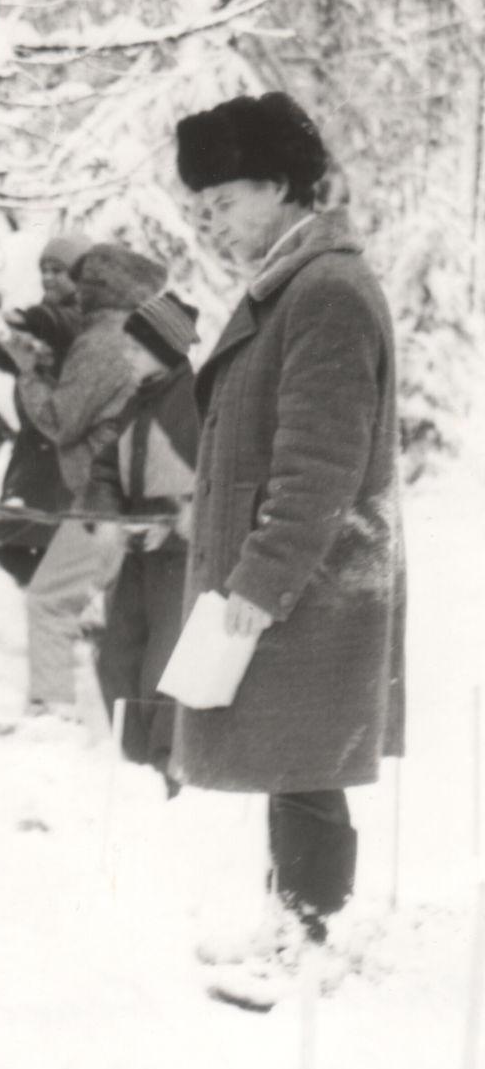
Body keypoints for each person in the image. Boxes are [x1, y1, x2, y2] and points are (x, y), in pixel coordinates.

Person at [172, 91, 404, 982]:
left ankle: (306, 940)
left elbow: (319, 462)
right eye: (201, 206)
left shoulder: (326, 291)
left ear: (279, 185)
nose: (211, 221)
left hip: (315, 573)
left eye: (224, 200)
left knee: (305, 757)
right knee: (293, 754)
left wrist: (261, 581)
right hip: (304, 569)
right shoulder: (299, 283)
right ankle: (290, 924)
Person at [14, 242, 168, 717]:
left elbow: (62, 419)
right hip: (144, 493)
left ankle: (52, 712)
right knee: (123, 614)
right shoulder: (143, 335)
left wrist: (28, 373)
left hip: (104, 498)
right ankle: (120, 725)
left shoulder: (102, 340)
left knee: (49, 600)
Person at [82, 292, 201, 792]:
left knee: (165, 668)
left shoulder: (198, 405)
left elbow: (212, 489)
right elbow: (106, 468)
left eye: (135, 348)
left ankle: (167, 773)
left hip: (181, 564)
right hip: (136, 558)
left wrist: (174, 526)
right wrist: (108, 517)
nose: (126, 356)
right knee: (117, 659)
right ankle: (134, 770)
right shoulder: (138, 400)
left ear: (163, 348)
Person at [0, 233, 93, 586]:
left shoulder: (81, 319)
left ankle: (71, 622)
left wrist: (18, 320)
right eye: (44, 269)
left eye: (59, 270)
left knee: (29, 549)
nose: (49, 277)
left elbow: (54, 322)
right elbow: (2, 349)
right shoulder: (46, 326)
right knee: (14, 545)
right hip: (34, 454)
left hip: (61, 459)